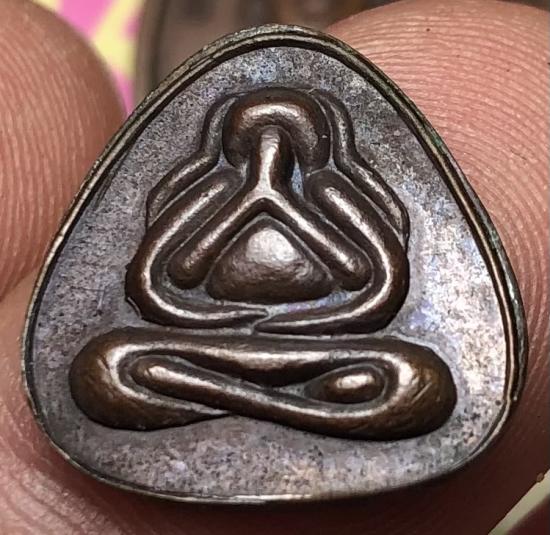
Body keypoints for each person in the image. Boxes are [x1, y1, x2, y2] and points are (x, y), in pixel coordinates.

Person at [0, 0, 547, 533]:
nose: (272, 149)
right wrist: (248, 198)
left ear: (314, 142)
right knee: (103, 366)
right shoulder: (208, 189)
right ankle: (296, 410)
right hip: (210, 344)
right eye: (257, 138)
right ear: (230, 140)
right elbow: (156, 287)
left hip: (320, 347)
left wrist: (282, 205)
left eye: (287, 137)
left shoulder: (334, 190)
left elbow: (376, 288)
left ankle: (244, 402)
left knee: (420, 381)